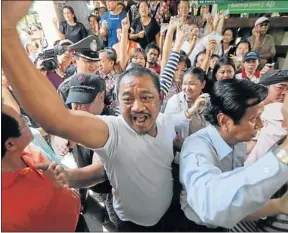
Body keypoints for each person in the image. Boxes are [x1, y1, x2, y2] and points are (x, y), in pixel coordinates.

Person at [2, 6, 197, 229]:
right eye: (127, 98)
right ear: (115, 100)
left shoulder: (165, 122)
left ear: (160, 97)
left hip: (169, 215)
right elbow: (56, 119)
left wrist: (186, 145)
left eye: (146, 97)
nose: (137, 107)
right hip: (133, 226)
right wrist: (7, 33)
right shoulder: (113, 131)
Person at [179, 79, 288, 230]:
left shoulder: (238, 142)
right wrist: (285, 152)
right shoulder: (196, 150)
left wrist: (278, 205)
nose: (261, 125)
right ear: (225, 121)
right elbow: (211, 204)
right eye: (253, 119)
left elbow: (233, 200)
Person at [1, 104, 81, 232]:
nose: (26, 119)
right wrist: (56, 187)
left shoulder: (27, 150)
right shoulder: (6, 212)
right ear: (10, 144)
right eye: (23, 122)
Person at [57, 36, 101, 107]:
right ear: (75, 61)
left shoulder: (102, 82)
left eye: (96, 61)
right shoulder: (65, 89)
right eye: (88, 61)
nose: (93, 65)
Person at [165, 67, 207, 139]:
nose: (187, 88)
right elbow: (167, 125)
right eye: (184, 84)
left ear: (203, 84)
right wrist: (191, 111)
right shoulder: (175, 100)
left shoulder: (209, 101)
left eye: (192, 84)